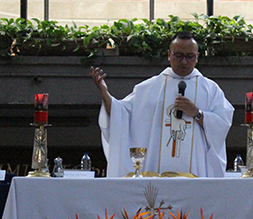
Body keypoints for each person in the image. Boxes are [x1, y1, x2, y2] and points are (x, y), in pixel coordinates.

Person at [90, 31, 235, 177]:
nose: (184, 61)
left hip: (196, 174)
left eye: (190, 56)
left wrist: (197, 113)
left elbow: (223, 123)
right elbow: (119, 113)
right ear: (169, 55)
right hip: (156, 174)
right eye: (179, 55)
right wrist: (104, 92)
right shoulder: (149, 88)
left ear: (197, 57)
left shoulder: (210, 89)